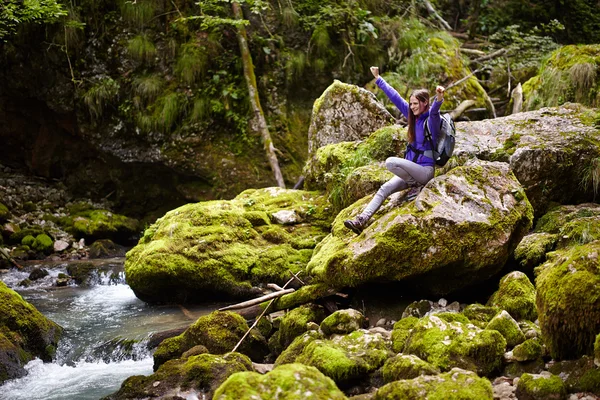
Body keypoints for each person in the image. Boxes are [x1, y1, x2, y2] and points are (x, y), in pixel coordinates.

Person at [344, 66, 445, 235]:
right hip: (411, 173)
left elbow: (435, 110)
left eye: (415, 104)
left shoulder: (431, 120)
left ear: (424, 103)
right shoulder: (412, 116)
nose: (411, 107)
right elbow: (395, 97)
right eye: (411, 103)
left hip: (424, 172)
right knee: (385, 188)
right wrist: (378, 78)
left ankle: (416, 185)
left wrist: (440, 97)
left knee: (390, 162)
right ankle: (361, 220)